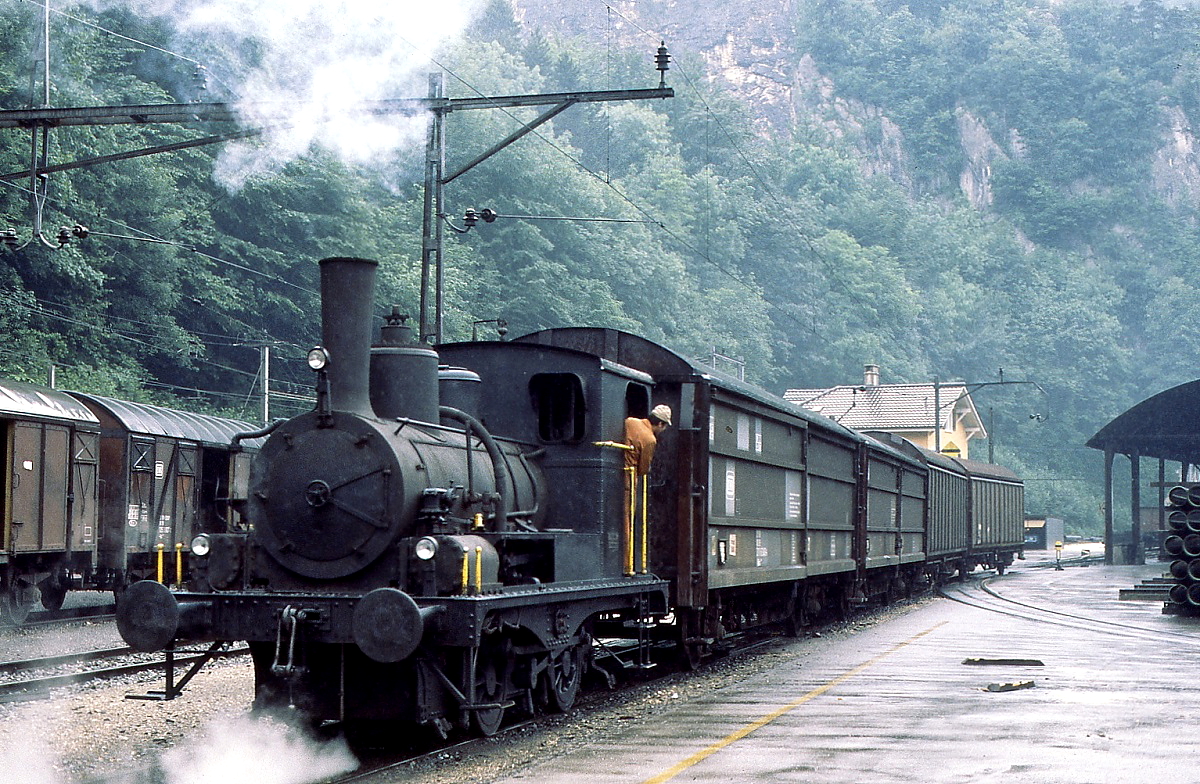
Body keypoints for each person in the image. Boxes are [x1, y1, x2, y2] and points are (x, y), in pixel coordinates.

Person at [623, 404, 672, 476]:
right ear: (660, 424)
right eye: (665, 426)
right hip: (628, 477)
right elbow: (643, 469)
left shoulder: (630, 421)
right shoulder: (650, 440)